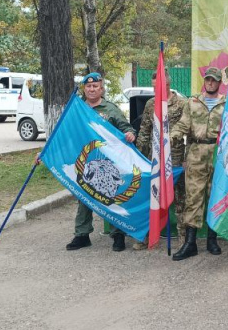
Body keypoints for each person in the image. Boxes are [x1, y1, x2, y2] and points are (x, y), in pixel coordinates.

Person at [65, 72, 136, 253]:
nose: (91, 89)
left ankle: (118, 235)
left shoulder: (111, 109)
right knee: (84, 196)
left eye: (95, 86)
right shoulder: (77, 109)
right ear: (84, 89)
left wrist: (130, 134)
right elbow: (65, 133)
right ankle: (82, 235)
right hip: (85, 160)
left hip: (107, 164)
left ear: (101, 89)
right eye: (88, 86)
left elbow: (126, 128)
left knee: (109, 196)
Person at [170, 67, 226, 261]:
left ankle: (212, 240)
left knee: (214, 197)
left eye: (214, 80)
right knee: (193, 198)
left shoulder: (227, 103)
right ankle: (190, 243)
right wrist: (172, 136)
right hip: (196, 153)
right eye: (208, 79)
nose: (210, 82)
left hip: (218, 155)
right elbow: (183, 124)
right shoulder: (193, 102)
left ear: (219, 82)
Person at [133, 70, 187, 250]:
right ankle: (147, 235)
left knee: (180, 199)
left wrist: (187, 158)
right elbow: (144, 131)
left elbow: (189, 132)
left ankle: (183, 237)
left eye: (159, 86)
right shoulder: (150, 104)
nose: (156, 90)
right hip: (154, 161)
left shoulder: (182, 103)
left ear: (168, 84)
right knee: (151, 199)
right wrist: (139, 157)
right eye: (154, 87)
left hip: (176, 160)